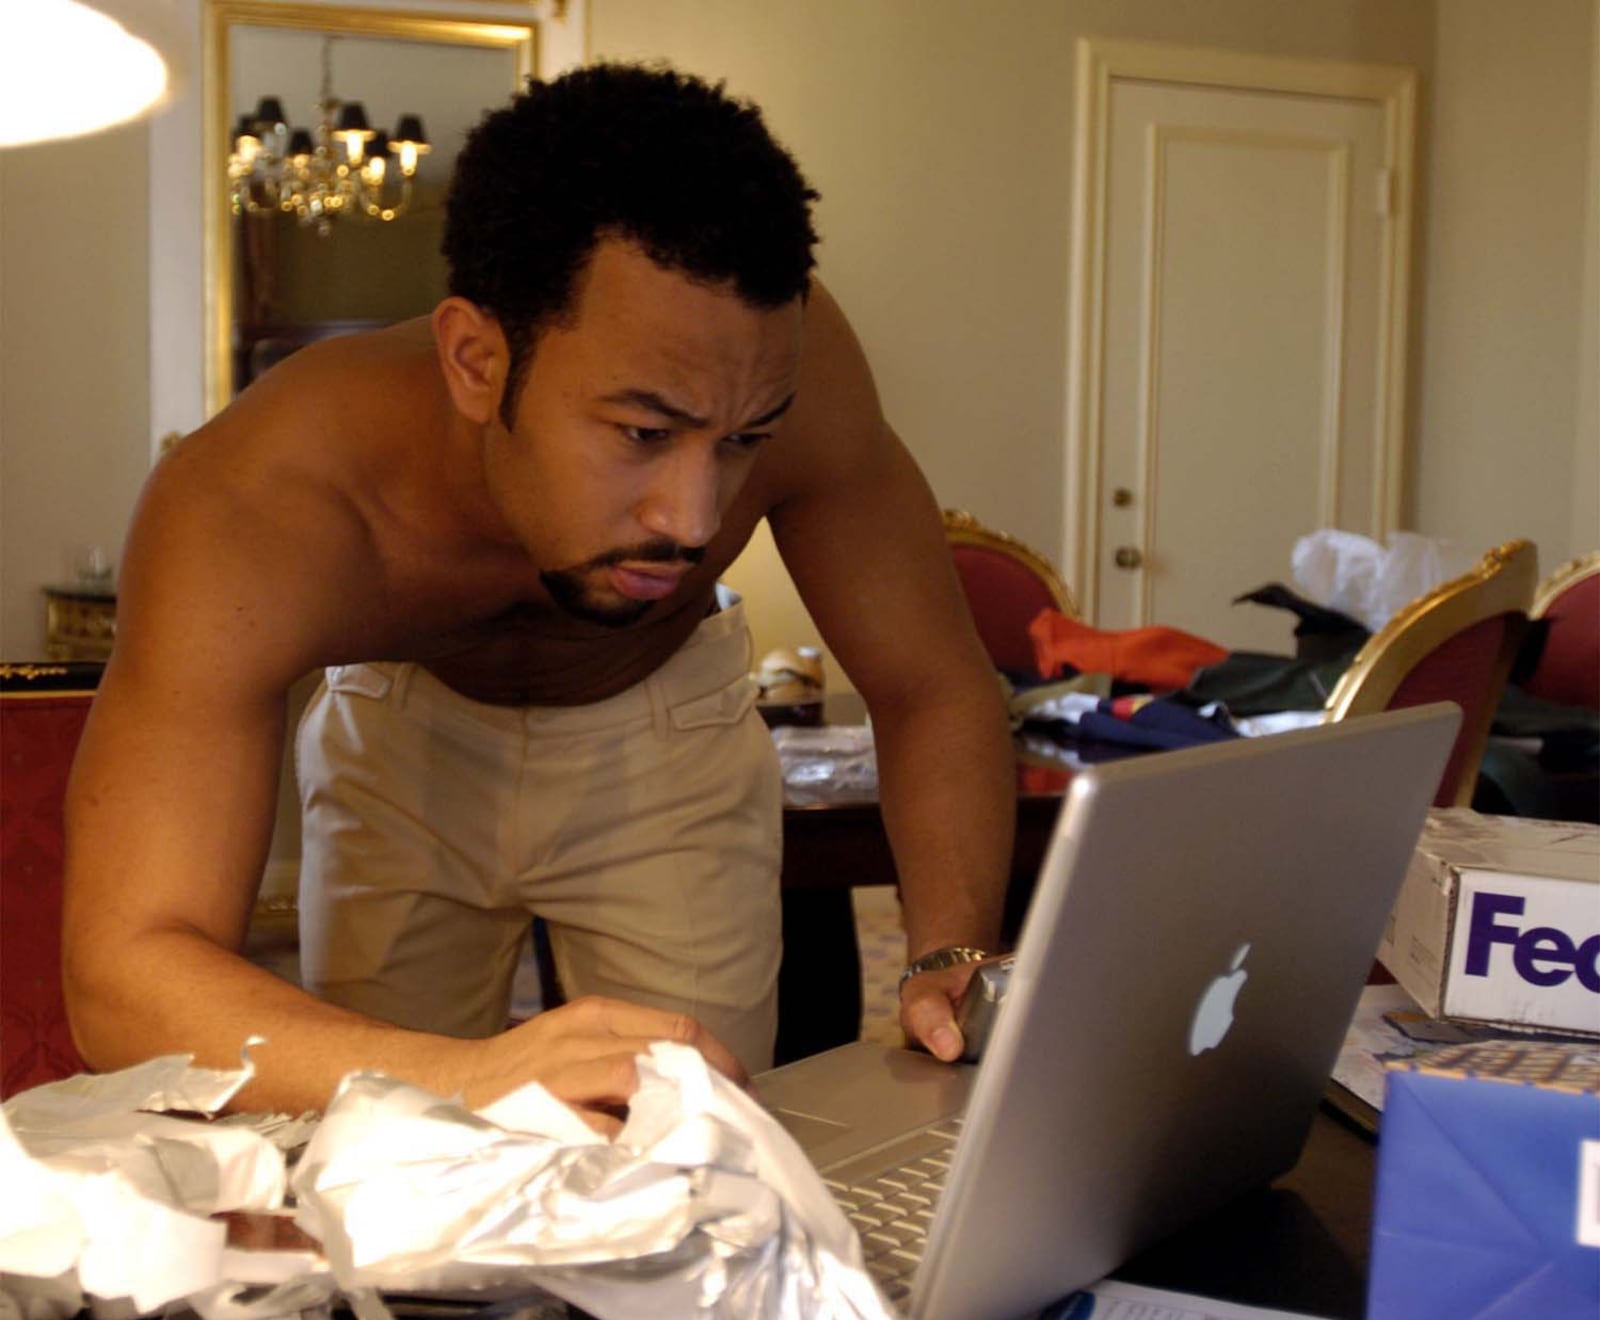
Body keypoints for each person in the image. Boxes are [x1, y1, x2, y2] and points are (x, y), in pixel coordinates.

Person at [61, 63, 1014, 1125]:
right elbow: (122, 975)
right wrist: (469, 1076)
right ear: (475, 359)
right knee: (388, 1152)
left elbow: (931, 684)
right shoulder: (258, 501)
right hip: (401, 740)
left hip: (664, 728)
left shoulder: (808, 381)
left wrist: (952, 951)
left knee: (697, 1146)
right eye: (643, 432)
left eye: (741, 441)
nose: (695, 521)